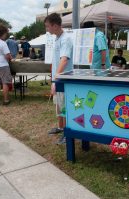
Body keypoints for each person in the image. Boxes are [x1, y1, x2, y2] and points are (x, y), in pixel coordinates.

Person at [44, 13, 73, 144]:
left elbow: (64, 60)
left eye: (48, 26)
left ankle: (68, 133)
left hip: (63, 79)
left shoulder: (66, 39)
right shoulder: (57, 38)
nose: (47, 29)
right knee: (59, 105)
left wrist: (56, 80)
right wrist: (53, 78)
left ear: (55, 25)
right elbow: (55, 61)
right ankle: (61, 127)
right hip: (58, 78)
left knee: (65, 106)